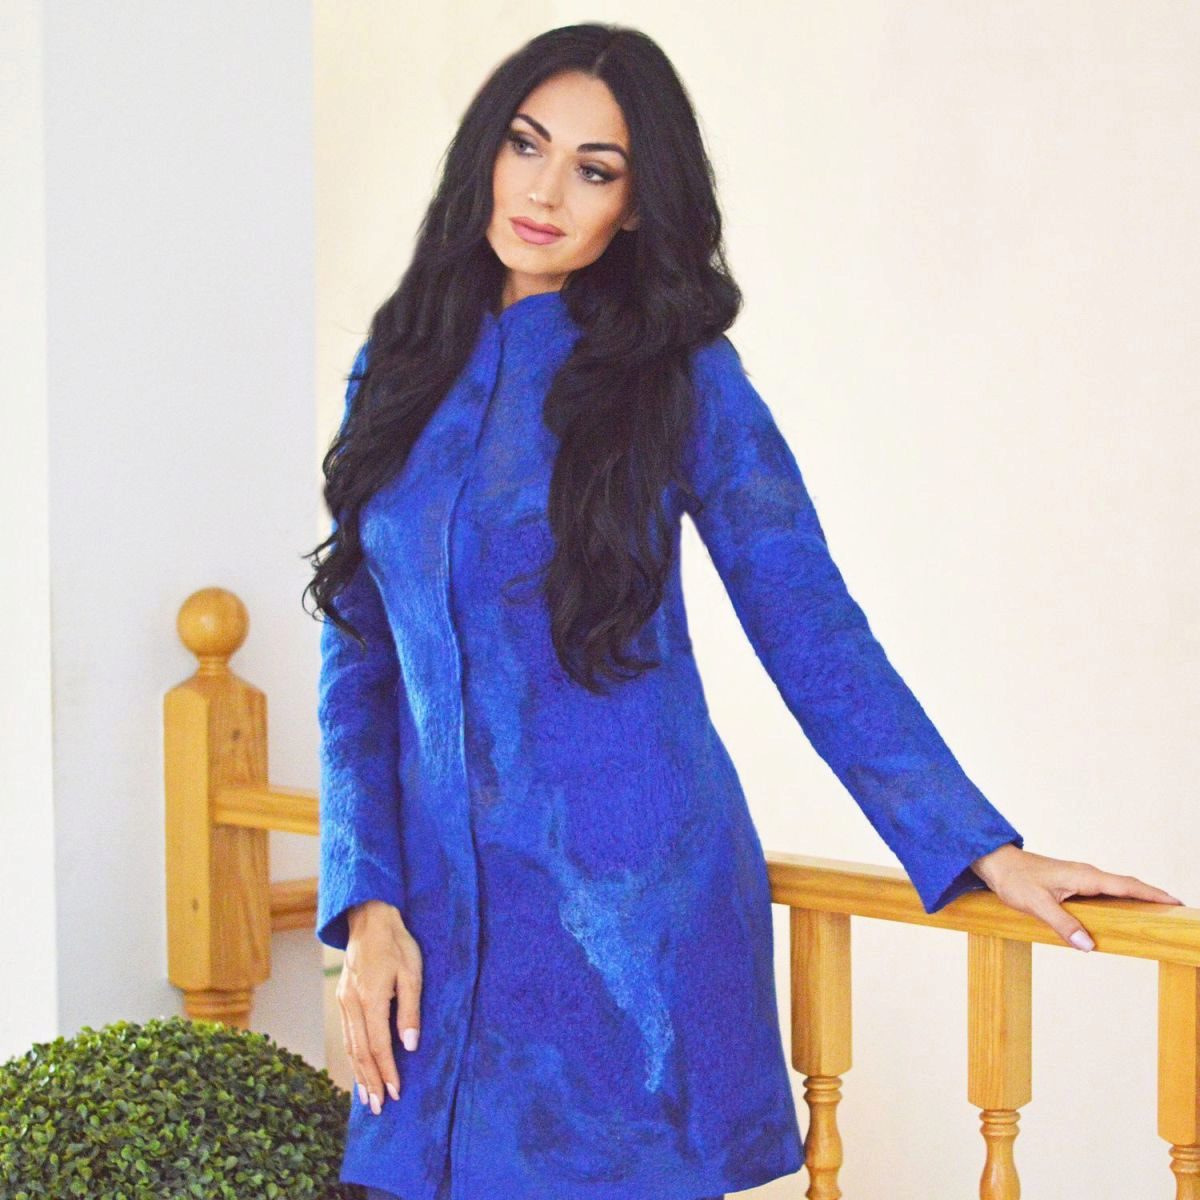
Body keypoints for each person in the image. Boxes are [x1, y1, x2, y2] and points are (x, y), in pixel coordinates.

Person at [303, 22, 1182, 1200]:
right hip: (435, 927)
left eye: (596, 169)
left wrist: (978, 842)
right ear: (485, 153)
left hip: (633, 928)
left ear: (636, 206)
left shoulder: (680, 377)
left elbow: (808, 622)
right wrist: (367, 903)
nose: (546, 192)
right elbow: (358, 657)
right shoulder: (399, 365)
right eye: (526, 145)